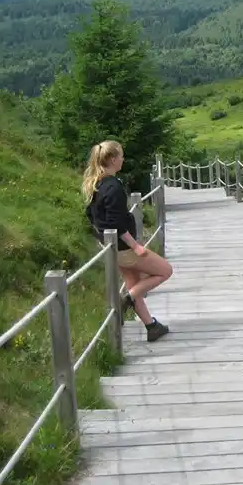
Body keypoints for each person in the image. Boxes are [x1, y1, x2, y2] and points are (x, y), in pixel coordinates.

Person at [82, 140, 171, 342]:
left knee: (133, 282)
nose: (123, 159)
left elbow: (91, 215)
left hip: (111, 247)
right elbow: (117, 224)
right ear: (113, 159)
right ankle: (126, 300)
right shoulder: (113, 187)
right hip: (124, 248)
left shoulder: (97, 184)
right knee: (165, 271)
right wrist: (136, 246)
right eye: (121, 156)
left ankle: (151, 326)